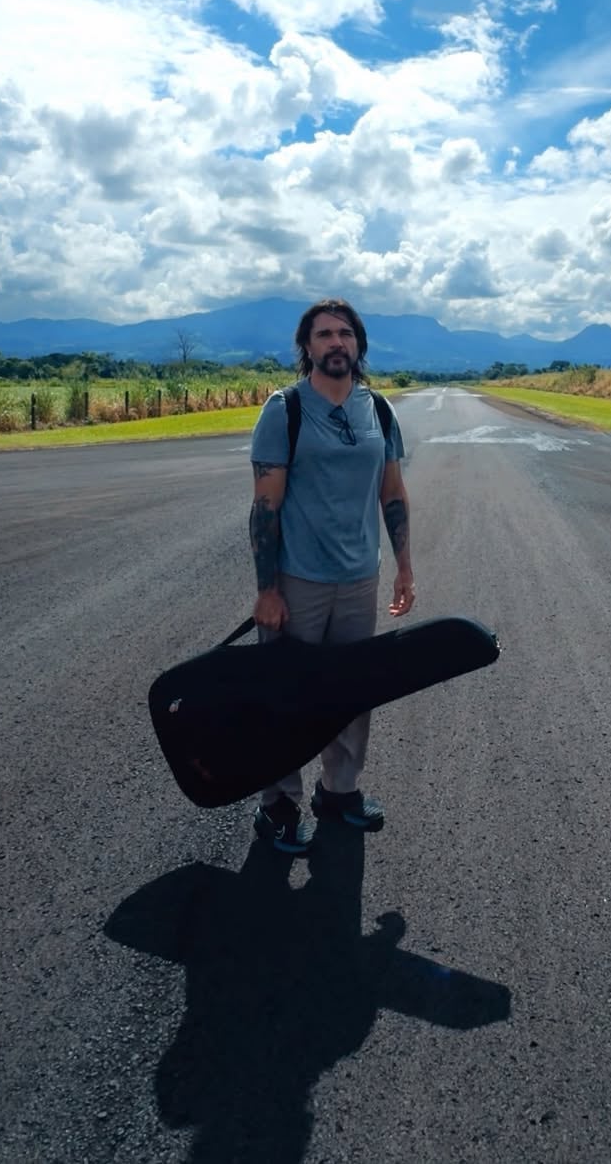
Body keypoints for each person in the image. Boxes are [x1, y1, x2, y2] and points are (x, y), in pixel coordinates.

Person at [248, 298, 414, 853]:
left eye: (345, 333)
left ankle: (338, 791)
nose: (336, 342)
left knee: (351, 691)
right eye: (324, 334)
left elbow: (393, 491)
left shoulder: (378, 409)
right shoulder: (286, 409)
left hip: (360, 578)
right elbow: (265, 507)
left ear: (358, 344)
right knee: (286, 694)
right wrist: (267, 590)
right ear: (307, 346)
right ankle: (277, 804)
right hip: (299, 580)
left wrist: (404, 567)